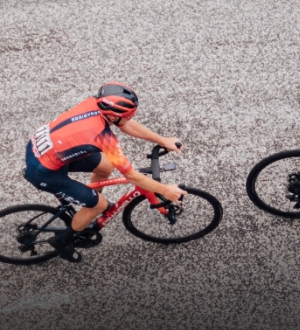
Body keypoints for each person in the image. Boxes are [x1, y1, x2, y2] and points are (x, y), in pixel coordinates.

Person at [24, 82, 187, 262]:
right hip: (43, 172)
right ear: (113, 116)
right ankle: (62, 241)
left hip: (44, 149)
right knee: (100, 205)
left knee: (106, 166)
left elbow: (126, 125)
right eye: (128, 116)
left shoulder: (95, 103)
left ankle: (90, 202)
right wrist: (165, 190)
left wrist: (162, 140)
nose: (131, 119)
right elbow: (131, 176)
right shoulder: (102, 137)